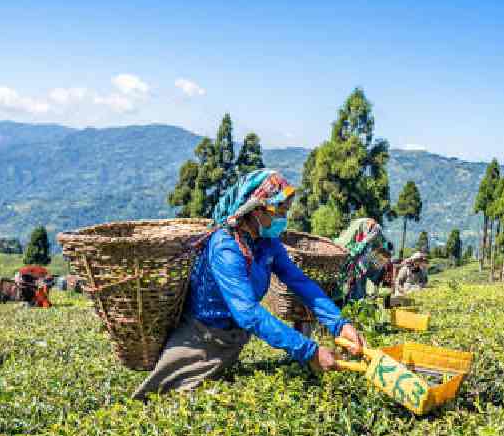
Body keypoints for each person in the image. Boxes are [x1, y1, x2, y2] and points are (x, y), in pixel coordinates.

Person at [132, 170, 365, 400]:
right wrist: (309, 351)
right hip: (200, 342)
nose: (284, 217)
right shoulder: (226, 247)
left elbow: (299, 281)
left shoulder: (266, 243)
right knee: (164, 398)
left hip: (233, 340)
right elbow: (249, 314)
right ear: (255, 209)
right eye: (279, 209)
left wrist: (339, 324)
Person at [334, 218, 394, 304]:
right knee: (353, 289)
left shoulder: (374, 242)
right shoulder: (359, 240)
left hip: (360, 271)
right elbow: (356, 251)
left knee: (358, 290)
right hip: (353, 271)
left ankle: (355, 302)